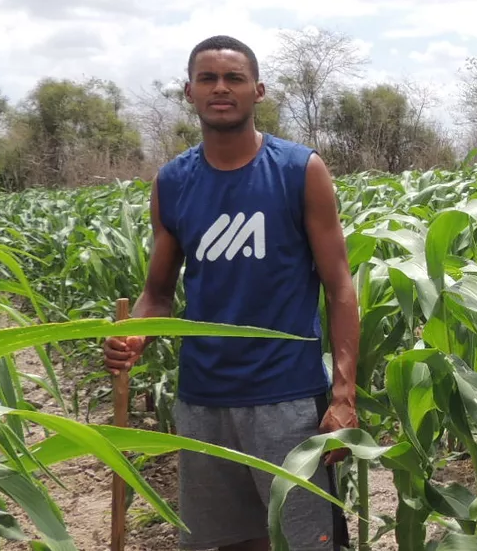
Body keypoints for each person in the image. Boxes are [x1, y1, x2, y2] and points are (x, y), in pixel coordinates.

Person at [102, 34, 360, 551]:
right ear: (189, 92)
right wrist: (135, 338)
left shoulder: (298, 170)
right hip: (203, 399)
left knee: (305, 540)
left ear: (258, 90)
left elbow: (340, 288)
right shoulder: (172, 182)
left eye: (234, 78)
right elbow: (157, 294)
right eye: (208, 78)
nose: (221, 88)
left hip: (287, 398)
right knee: (228, 541)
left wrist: (344, 395)